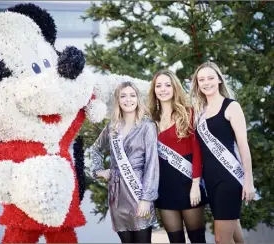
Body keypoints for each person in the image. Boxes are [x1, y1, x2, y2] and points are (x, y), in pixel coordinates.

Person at [190, 61, 256, 244]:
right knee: (236, 234)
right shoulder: (199, 113)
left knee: (221, 239)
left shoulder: (231, 106)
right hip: (210, 180)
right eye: (201, 79)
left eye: (210, 77)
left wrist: (248, 181)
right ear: (197, 84)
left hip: (229, 179)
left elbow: (243, 145)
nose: (206, 82)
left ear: (219, 79)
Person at [89, 81, 159, 243]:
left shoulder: (147, 126)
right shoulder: (113, 126)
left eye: (132, 95)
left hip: (139, 192)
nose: (128, 100)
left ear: (138, 99)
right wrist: (99, 170)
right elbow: (95, 149)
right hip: (117, 195)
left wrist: (146, 199)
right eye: (123, 96)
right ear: (118, 100)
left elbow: (152, 164)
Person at [148, 70, 208, 243]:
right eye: (158, 85)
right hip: (164, 188)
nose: (163, 89)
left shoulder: (188, 114)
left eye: (167, 85)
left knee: (197, 239)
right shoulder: (150, 120)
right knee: (175, 240)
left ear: (175, 87)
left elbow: (197, 151)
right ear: (154, 90)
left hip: (189, 184)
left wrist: (196, 184)